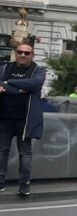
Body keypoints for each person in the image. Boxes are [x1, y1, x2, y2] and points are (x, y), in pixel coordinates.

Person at [0, 44, 46, 197]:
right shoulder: (4, 68)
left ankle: (24, 184)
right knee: (2, 151)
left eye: (27, 53)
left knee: (25, 152)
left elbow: (35, 84)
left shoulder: (37, 71)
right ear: (15, 53)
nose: (23, 55)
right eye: (20, 52)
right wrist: (20, 90)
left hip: (25, 120)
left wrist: (9, 84)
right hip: (4, 117)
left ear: (32, 55)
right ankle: (0, 182)